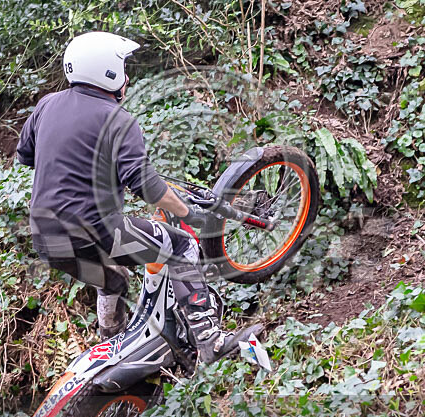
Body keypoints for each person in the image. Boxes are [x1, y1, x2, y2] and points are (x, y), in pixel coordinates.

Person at [16, 31, 261, 364]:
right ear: (108, 72)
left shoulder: (47, 105)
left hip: (46, 238)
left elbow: (26, 155)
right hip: (98, 229)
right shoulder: (118, 119)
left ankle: (112, 349)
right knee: (181, 247)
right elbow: (146, 186)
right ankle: (210, 341)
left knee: (114, 279)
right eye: (123, 68)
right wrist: (187, 213)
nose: (127, 77)